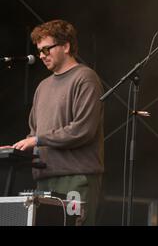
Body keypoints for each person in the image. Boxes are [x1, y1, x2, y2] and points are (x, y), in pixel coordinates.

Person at [10, 20, 104, 225]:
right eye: (39, 51)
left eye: (46, 49)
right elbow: (34, 133)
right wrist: (15, 149)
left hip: (76, 178)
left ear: (66, 46)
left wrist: (37, 139)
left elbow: (82, 130)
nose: (42, 55)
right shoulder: (42, 86)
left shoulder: (85, 78)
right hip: (44, 179)